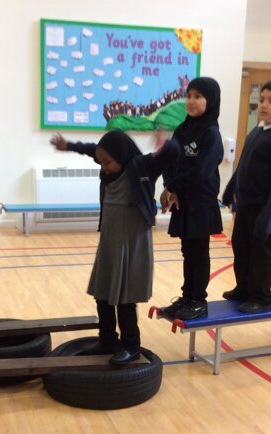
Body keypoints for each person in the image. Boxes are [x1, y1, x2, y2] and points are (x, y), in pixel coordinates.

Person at [50, 130, 180, 365]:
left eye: (108, 162)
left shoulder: (141, 166)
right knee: (103, 292)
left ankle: (131, 345)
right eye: (101, 162)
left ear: (121, 155)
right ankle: (107, 339)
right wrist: (68, 145)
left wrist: (165, 143)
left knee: (124, 296)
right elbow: (91, 149)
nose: (104, 167)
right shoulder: (108, 167)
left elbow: (172, 153)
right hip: (110, 240)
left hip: (132, 240)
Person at [221, 78, 271, 313]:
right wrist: (231, 187)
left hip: (267, 205)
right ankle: (243, 288)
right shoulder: (258, 130)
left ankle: (261, 296)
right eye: (262, 99)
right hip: (247, 202)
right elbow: (243, 162)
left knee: (260, 249)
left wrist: (269, 215)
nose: (263, 105)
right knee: (241, 244)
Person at [159, 77, 224, 320]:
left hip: (201, 203)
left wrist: (173, 187)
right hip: (183, 200)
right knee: (187, 251)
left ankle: (198, 300)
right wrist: (169, 187)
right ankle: (187, 297)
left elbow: (200, 172)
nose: (191, 101)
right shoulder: (182, 129)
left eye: (198, 96)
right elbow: (169, 160)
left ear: (211, 100)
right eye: (188, 96)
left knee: (199, 251)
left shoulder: (211, 134)